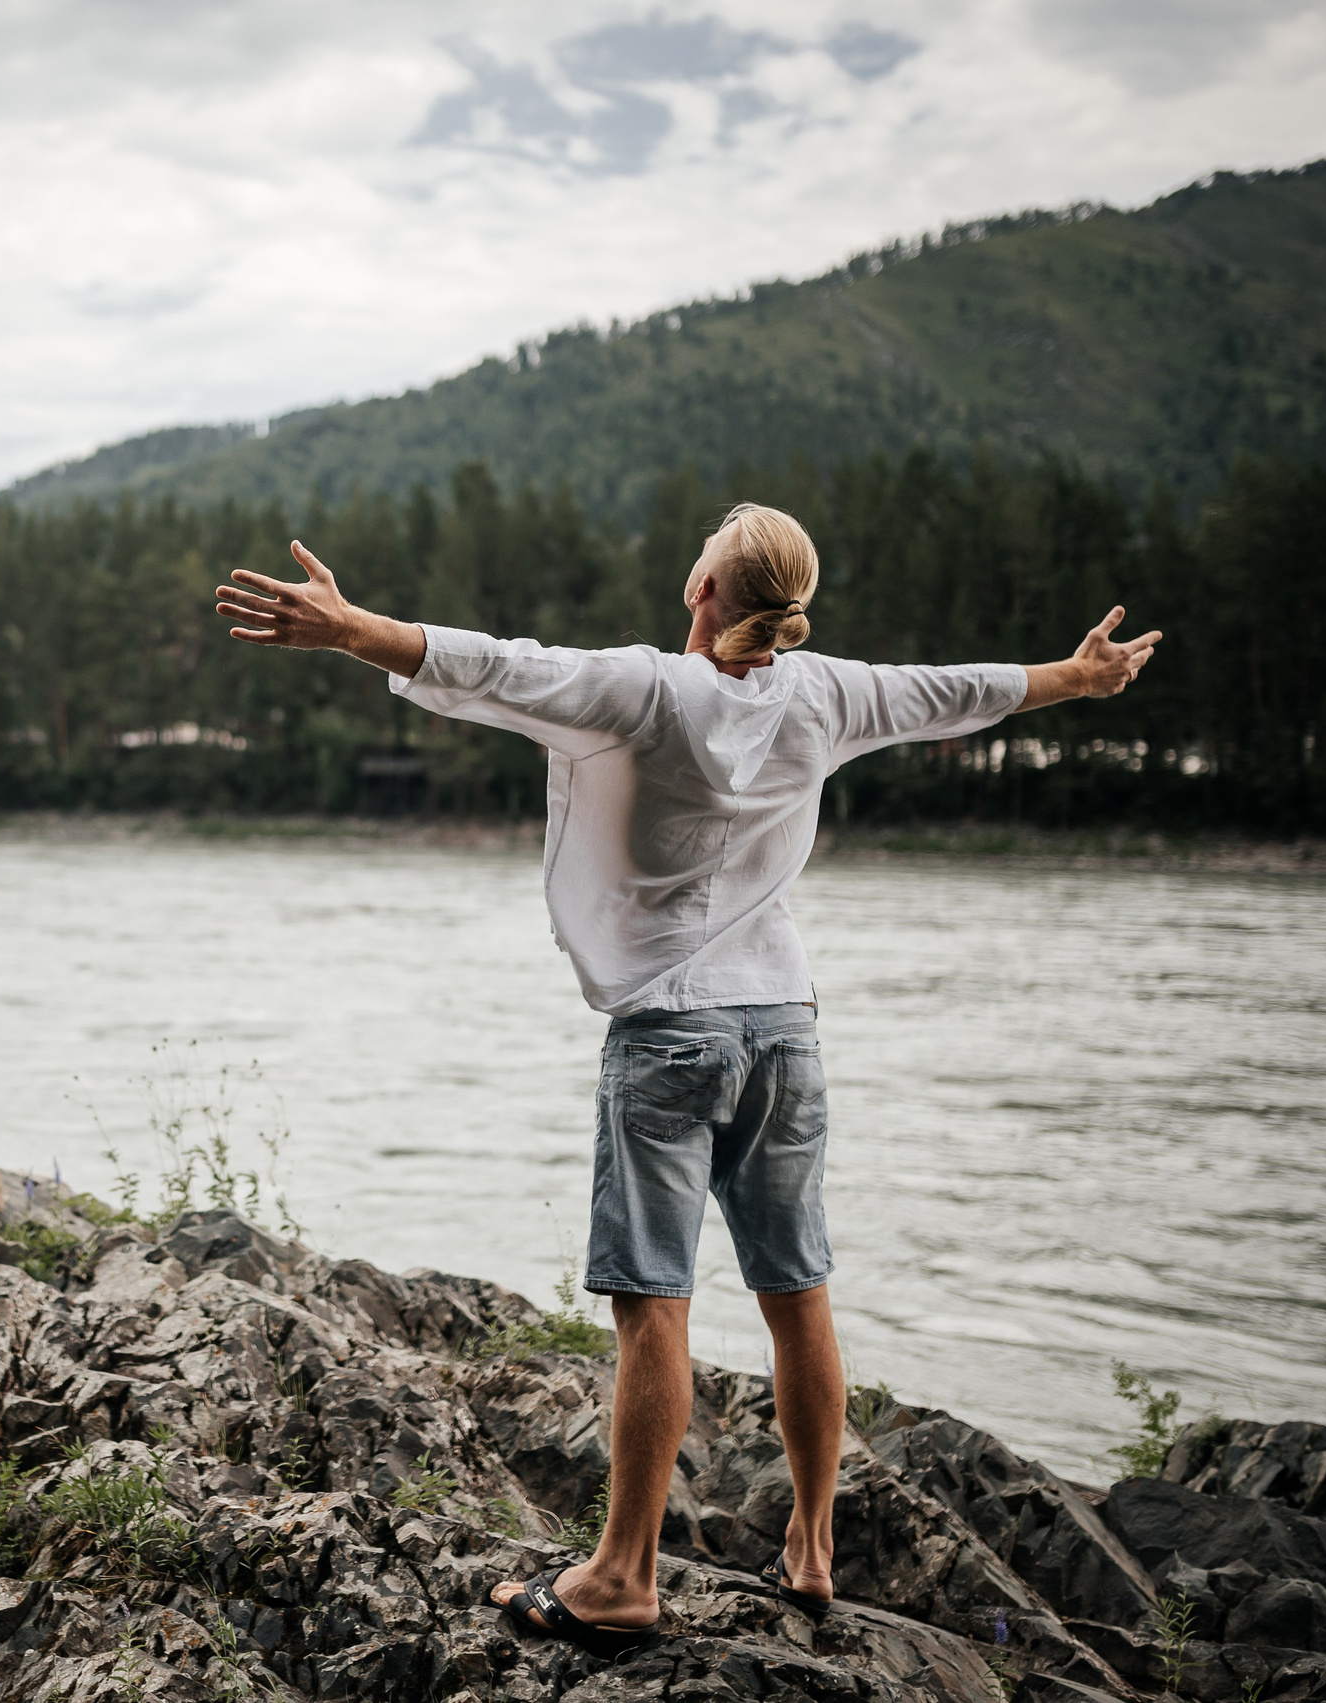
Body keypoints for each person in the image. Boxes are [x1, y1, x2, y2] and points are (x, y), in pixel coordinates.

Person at [213, 504, 1159, 1658]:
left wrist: (347, 627)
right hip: (784, 1026)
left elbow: (488, 664)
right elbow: (959, 691)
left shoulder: (644, 689)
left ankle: (621, 1574)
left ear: (701, 587)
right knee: (797, 1290)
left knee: (653, 1302)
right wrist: (1078, 675)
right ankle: (810, 1545)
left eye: (707, 547)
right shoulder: (827, 693)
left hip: (668, 1031)